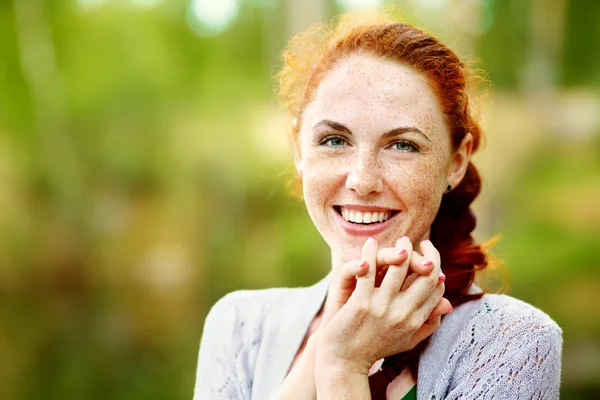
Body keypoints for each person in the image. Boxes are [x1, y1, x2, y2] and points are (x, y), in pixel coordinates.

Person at [193, 12, 562, 400]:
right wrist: (322, 349)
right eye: (335, 140)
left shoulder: (514, 344)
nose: (362, 180)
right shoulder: (239, 326)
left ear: (456, 161)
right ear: (298, 150)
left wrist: (342, 367)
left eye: (402, 145)